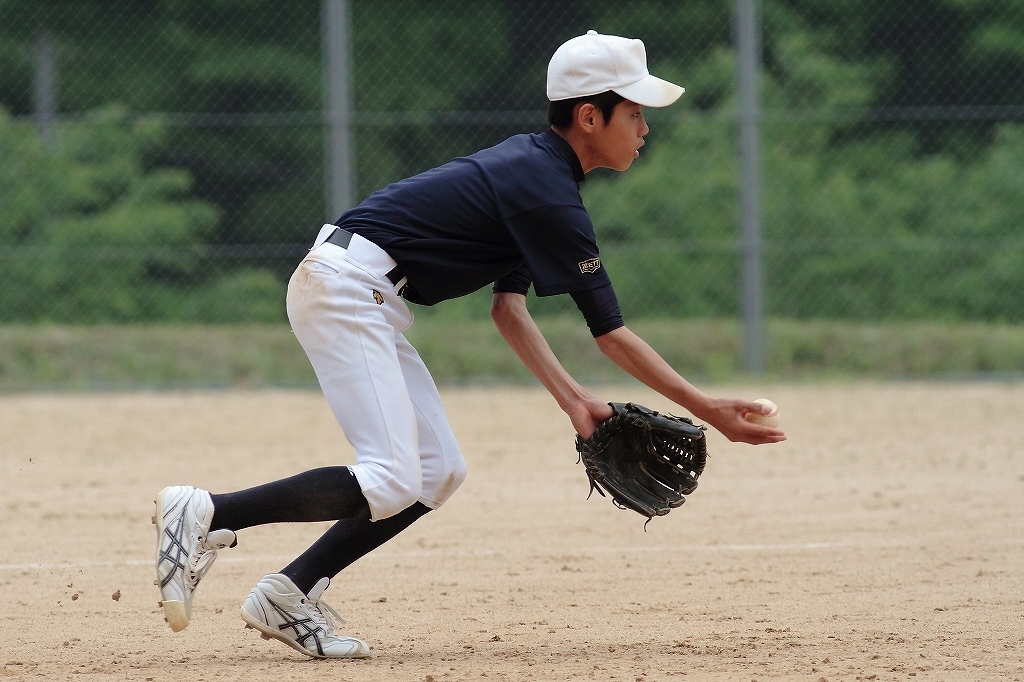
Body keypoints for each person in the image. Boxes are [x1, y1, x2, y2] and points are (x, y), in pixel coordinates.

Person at [153, 30, 785, 659]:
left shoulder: (539, 178)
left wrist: (572, 400)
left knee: (437, 471)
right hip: (348, 288)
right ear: (590, 116)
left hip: (362, 290)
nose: (645, 127)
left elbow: (508, 309)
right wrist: (709, 410)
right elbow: (611, 335)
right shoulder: (543, 190)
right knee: (393, 475)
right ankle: (209, 511)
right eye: (636, 112)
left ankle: (288, 593)